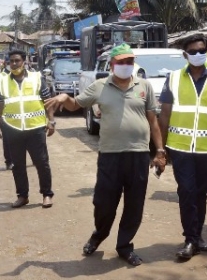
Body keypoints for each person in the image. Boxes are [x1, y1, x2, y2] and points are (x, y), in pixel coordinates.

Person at [44, 43, 163, 266]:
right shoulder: (100, 86)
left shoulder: (144, 86)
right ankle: (99, 235)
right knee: (103, 202)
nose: (126, 66)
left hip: (138, 154)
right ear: (112, 65)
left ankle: (124, 246)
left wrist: (160, 151)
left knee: (134, 204)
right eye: (121, 62)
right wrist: (63, 97)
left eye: (130, 62)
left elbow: (153, 121)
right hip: (110, 155)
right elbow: (75, 105)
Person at [157, 33, 207, 261]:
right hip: (180, 148)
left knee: (201, 193)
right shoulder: (173, 79)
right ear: (185, 55)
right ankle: (191, 239)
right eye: (193, 52)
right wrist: (160, 149)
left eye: (202, 51)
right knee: (187, 191)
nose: (199, 55)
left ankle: (197, 235)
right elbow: (165, 115)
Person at [0, 50, 55, 209]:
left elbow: (47, 100)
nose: (14, 64)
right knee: (17, 164)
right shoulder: (1, 80)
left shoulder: (36, 77)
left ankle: (47, 194)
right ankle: (22, 196)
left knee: (41, 162)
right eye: (11, 61)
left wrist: (51, 120)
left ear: (24, 61)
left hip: (36, 127)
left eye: (17, 61)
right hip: (12, 128)